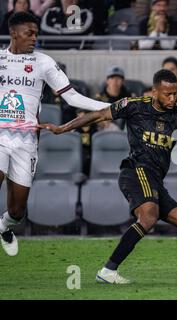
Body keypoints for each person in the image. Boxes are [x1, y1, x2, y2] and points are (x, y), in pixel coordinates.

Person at [39, 69, 177, 284]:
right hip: (135, 171)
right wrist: (62, 129)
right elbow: (97, 115)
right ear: (155, 91)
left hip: (155, 179)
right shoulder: (134, 105)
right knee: (149, 216)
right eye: (167, 94)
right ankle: (107, 271)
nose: (172, 99)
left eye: (175, 93)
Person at [0, 12, 111, 256]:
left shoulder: (43, 62)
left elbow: (71, 97)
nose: (34, 38)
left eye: (36, 34)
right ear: (13, 33)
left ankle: (5, 227)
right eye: (29, 33)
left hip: (26, 140)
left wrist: (105, 107)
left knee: (17, 210)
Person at [95, 66, 132, 130]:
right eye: (112, 78)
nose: (115, 81)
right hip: (105, 125)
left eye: (118, 78)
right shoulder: (100, 96)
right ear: (107, 81)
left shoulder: (127, 96)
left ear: (123, 81)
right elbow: (94, 115)